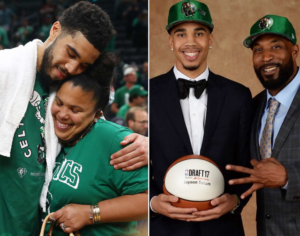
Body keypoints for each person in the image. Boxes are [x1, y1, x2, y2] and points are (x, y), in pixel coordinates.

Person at [0, 2, 147, 235]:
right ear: (55, 30)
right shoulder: (5, 70)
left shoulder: (66, 87)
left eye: (83, 65)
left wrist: (151, 143)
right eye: (70, 53)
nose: (71, 68)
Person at [150, 1, 253, 235]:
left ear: (211, 39)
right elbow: (137, 165)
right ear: (170, 41)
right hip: (166, 229)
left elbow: (247, 164)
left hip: (223, 228)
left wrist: (236, 200)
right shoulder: (149, 93)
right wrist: (153, 201)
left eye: (199, 33)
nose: (190, 42)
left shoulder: (239, 96)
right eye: (180, 34)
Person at [43, 52, 148, 236]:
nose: (62, 114)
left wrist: (91, 213)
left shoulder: (114, 139)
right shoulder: (49, 133)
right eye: (59, 103)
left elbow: (149, 199)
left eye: (75, 110)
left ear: (97, 114)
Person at [226, 15, 300, 236]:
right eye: (258, 50)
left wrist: (288, 177)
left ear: (294, 51)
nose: (266, 57)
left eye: (276, 47)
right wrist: (233, 200)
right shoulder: (254, 105)